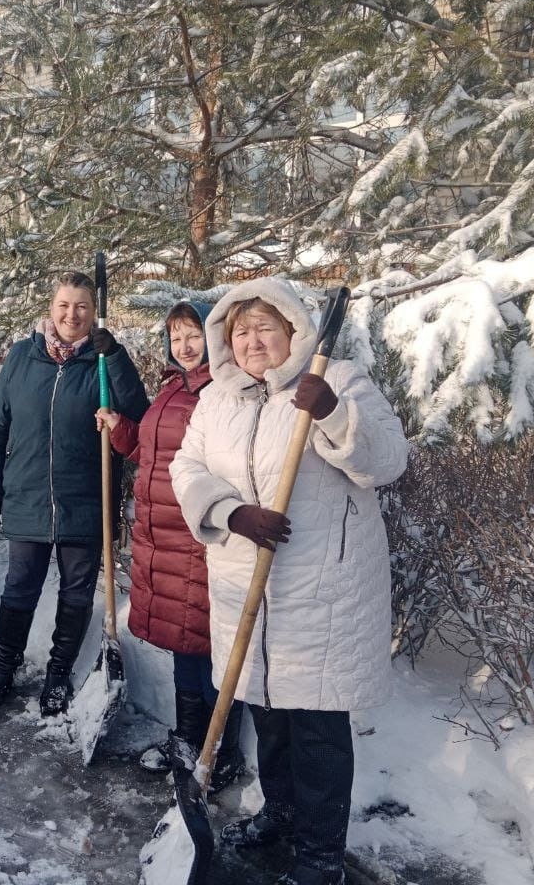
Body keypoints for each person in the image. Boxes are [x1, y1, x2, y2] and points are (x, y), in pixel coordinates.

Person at [169, 277, 408, 885]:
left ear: (293, 331)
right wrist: (230, 513)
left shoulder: (340, 379)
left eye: (265, 328)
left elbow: (386, 461)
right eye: (241, 330)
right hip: (247, 589)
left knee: (319, 729)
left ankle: (321, 854)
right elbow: (187, 467)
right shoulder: (218, 400)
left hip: (322, 592)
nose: (252, 341)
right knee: (269, 715)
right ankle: (279, 813)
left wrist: (328, 410)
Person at [0, 270, 150, 715]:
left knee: (76, 593)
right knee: (19, 588)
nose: (72, 314)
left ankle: (57, 676)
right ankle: (3, 670)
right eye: (64, 305)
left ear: (94, 313)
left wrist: (114, 358)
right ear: (50, 308)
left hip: (86, 497)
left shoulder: (104, 360)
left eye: (82, 307)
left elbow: (140, 416)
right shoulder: (21, 357)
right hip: (28, 495)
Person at [94, 300, 244, 792]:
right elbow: (149, 452)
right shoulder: (173, 388)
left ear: (213, 338)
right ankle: (187, 739)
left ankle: (220, 753)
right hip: (163, 537)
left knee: (209, 649)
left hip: (197, 539)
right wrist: (121, 432)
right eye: (176, 336)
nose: (183, 345)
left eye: (193, 335)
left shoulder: (222, 394)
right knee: (185, 647)